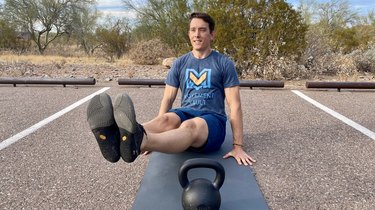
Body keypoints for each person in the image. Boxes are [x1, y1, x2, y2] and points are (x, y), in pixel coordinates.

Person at [87, 12, 256, 166]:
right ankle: (117, 136)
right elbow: (167, 99)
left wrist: (237, 145)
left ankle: (141, 141)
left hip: (212, 120)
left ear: (212, 34)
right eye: (193, 30)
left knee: (191, 125)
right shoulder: (180, 63)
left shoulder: (224, 63)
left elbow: (235, 106)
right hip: (185, 111)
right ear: (189, 33)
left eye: (202, 30)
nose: (197, 34)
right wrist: (161, 132)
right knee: (166, 120)